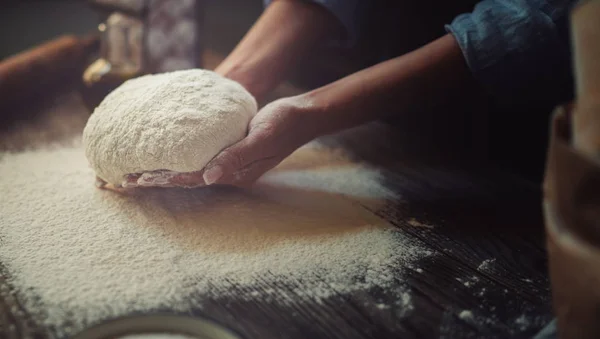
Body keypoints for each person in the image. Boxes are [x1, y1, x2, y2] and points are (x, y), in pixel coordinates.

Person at [138, 0, 577, 188]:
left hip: (515, 137)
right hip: (359, 70)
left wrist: (310, 112)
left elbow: (542, 19)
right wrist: (231, 81)